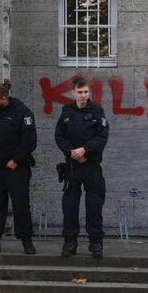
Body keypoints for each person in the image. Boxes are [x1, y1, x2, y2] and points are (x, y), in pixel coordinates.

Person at [0, 80, 38, 255]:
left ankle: (26, 240)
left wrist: (16, 160)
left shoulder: (22, 113)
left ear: (4, 98)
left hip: (15, 168)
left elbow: (29, 140)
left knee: (20, 205)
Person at [55, 76, 109, 259]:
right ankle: (70, 242)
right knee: (70, 206)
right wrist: (71, 152)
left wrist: (85, 150)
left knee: (94, 206)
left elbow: (102, 137)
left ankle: (96, 244)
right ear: (73, 93)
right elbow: (59, 136)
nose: (83, 95)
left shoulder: (97, 112)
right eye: (80, 92)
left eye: (86, 92)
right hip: (72, 167)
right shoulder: (66, 111)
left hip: (91, 165)